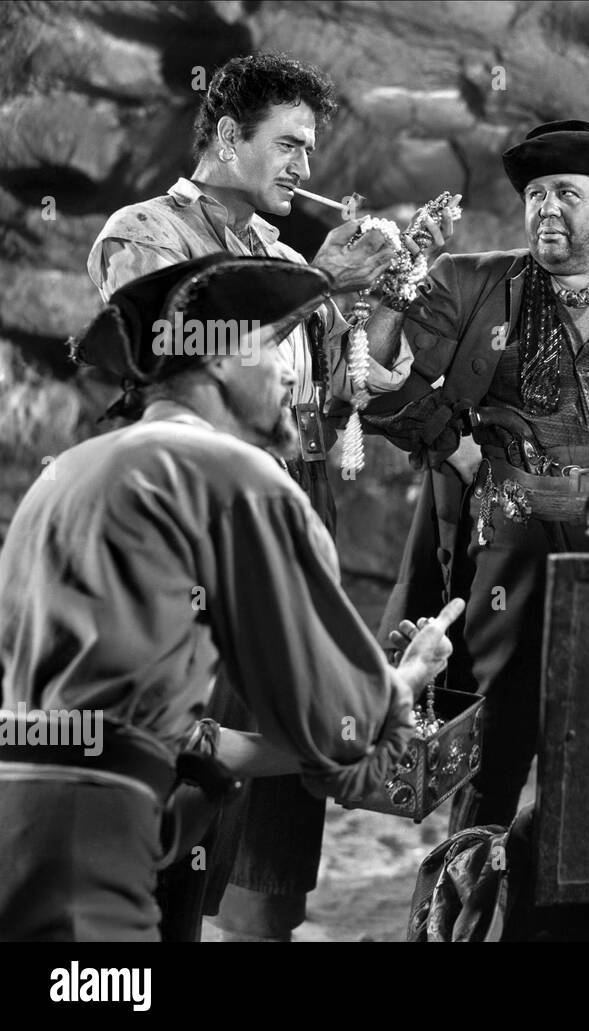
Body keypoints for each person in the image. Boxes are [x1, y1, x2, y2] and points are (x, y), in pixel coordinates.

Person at [86, 52, 456, 942]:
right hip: (196, 534)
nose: (303, 166)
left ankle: (260, 927)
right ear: (224, 137)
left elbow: (338, 390)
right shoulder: (143, 232)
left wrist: (396, 283)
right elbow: (179, 359)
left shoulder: (283, 252)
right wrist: (322, 284)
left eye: (311, 149)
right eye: (288, 144)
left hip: (290, 525)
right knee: (188, 777)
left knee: (277, 803)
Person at [0, 255, 465, 942]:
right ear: (217, 362)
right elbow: (342, 736)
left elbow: (178, 737)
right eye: (272, 349)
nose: (288, 373)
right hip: (116, 856)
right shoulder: (239, 476)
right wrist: (409, 677)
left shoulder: (66, 475)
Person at [363, 120, 589, 830]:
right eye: (535, 194)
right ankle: (460, 911)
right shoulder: (471, 284)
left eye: (567, 191)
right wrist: (454, 443)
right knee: (494, 752)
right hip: (512, 551)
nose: (546, 208)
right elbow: (378, 380)